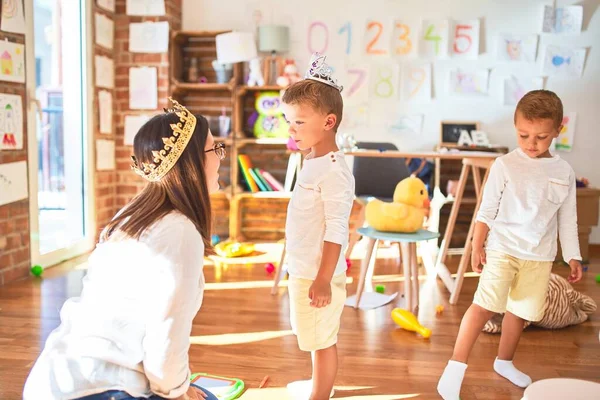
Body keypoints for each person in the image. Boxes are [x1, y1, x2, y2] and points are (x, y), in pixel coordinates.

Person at [23, 98, 226, 400]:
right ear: (193, 162)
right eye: (215, 150)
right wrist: (179, 391)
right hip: (96, 387)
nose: (221, 158)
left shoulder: (132, 215)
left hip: (54, 378)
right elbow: (165, 338)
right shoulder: (180, 232)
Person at [437, 90, 583, 400]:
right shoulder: (505, 165)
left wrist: (573, 256)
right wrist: (478, 245)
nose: (531, 143)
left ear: (558, 130)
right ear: (515, 126)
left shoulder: (564, 173)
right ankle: (454, 368)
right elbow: (486, 211)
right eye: (523, 134)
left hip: (539, 257)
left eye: (541, 137)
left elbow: (567, 220)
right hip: (502, 248)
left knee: (520, 312)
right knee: (484, 306)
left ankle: (504, 361)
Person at [281, 53, 355, 400]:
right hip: (304, 268)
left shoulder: (334, 172)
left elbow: (336, 229)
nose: (290, 129)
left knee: (323, 339)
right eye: (289, 122)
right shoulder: (312, 159)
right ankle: (318, 386)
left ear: (328, 122)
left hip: (317, 273)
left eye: (298, 122)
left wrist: (324, 278)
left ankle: (320, 396)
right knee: (312, 334)